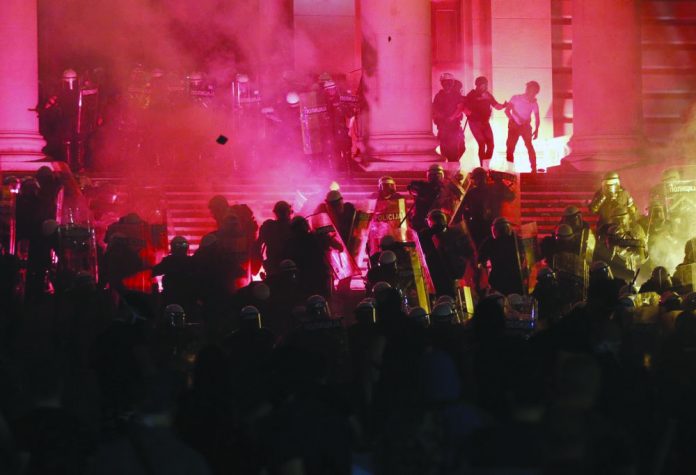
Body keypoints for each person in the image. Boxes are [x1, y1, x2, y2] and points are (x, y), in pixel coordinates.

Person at [454, 167, 515, 248]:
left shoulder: (491, 190)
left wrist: (499, 183)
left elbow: (511, 197)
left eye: (480, 178)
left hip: (488, 226)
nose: (478, 180)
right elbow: (460, 210)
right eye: (477, 178)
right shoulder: (473, 193)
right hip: (484, 227)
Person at [421, 209, 476, 296]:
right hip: (453, 276)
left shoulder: (426, 234)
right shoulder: (455, 232)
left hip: (440, 276)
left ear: (430, 221)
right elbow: (469, 252)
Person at [465, 76, 507, 168]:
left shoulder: (487, 95)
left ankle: (485, 166)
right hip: (475, 123)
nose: (486, 87)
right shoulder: (471, 95)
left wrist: (504, 105)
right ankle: (482, 167)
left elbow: (496, 106)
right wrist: (470, 113)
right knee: (482, 143)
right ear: (478, 85)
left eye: (486, 85)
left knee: (491, 145)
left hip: (485, 122)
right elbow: (465, 107)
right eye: (484, 85)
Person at [478, 217, 526, 295]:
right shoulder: (517, 240)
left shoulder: (490, 242)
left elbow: (480, 260)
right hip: (515, 280)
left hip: (498, 281)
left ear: (495, 230)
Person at [152, 236, 196, 311]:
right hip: (188, 297)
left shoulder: (168, 261)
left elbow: (155, 271)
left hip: (171, 296)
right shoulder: (192, 262)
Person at [505, 81, 541, 173]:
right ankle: (510, 169)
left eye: (535, 92)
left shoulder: (534, 103)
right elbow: (507, 111)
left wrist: (537, 130)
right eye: (531, 91)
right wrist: (513, 120)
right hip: (514, 126)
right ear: (527, 89)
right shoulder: (516, 98)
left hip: (525, 127)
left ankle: (534, 169)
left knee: (529, 146)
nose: (533, 94)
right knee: (510, 147)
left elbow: (537, 117)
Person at [432, 72, 468, 162]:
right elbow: (434, 109)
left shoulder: (457, 95)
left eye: (449, 82)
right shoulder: (439, 96)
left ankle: (454, 166)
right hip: (443, 127)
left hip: (454, 126)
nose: (447, 85)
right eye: (445, 82)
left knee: (460, 147)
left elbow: (461, 107)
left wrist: (452, 117)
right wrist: (441, 117)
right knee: (445, 150)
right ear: (442, 84)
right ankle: (449, 168)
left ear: (452, 83)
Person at [256, 201, 293, 276]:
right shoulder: (295, 227)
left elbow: (258, 245)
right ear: (289, 212)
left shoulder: (269, 226)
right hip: (289, 265)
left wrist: (261, 260)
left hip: (274, 266)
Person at [407, 164, 446, 231]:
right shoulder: (424, 186)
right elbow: (411, 185)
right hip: (421, 220)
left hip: (437, 219)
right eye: (432, 175)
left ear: (441, 175)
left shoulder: (444, 188)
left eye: (436, 175)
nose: (434, 178)